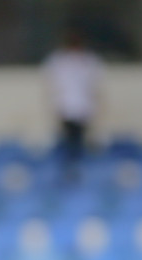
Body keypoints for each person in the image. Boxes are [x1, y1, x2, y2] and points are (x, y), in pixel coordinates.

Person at [43, 27, 103, 173]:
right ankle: (68, 174)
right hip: (66, 109)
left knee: (82, 145)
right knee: (67, 145)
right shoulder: (57, 61)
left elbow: (95, 87)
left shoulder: (90, 61)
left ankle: (80, 173)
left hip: (83, 110)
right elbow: (52, 85)